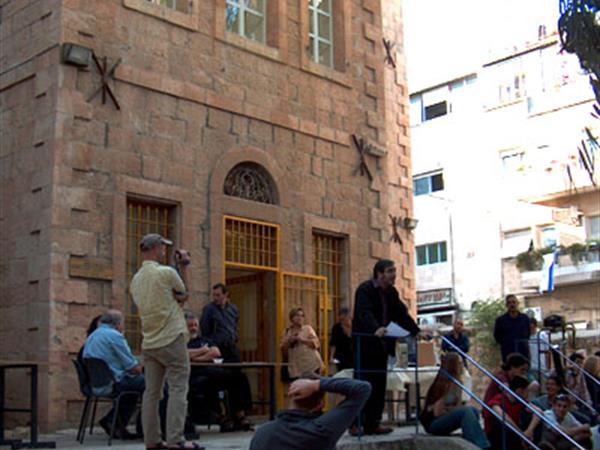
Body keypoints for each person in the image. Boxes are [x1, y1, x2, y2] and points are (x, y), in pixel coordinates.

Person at [130, 234, 202, 450]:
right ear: (156, 247)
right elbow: (184, 295)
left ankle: (151, 440)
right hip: (172, 336)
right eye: (163, 247)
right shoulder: (166, 272)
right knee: (179, 387)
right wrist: (185, 265)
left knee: (151, 393)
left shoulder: (135, 280)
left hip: (150, 341)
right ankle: (175, 439)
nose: (164, 251)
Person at [352, 259, 421, 435]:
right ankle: (355, 423)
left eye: (395, 271)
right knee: (362, 384)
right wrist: (376, 328)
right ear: (380, 273)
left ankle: (373, 423)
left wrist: (416, 331)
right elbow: (364, 313)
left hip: (382, 346)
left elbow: (401, 314)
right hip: (365, 345)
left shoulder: (391, 293)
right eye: (390, 271)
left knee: (379, 385)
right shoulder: (365, 289)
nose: (394, 275)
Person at [249, 374, 371, 450]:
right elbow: (362, 388)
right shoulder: (320, 431)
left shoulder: (262, 433)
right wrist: (316, 385)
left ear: (291, 396)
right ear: (320, 405)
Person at [185, 312, 253, 433]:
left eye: (195, 325)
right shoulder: (183, 342)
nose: (193, 328)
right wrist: (203, 350)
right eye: (190, 325)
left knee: (238, 377)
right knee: (208, 383)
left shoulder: (204, 340)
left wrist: (195, 357)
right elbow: (183, 354)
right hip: (195, 375)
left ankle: (240, 415)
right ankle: (220, 417)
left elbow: (216, 352)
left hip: (214, 371)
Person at [82, 310, 144, 440]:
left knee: (134, 387)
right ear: (118, 323)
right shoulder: (114, 336)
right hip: (114, 382)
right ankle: (145, 428)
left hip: (97, 383)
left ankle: (114, 422)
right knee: (155, 385)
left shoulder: (92, 336)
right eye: (123, 323)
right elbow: (133, 368)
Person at [420, 353, 490, 449]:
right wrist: (450, 409)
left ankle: (473, 442)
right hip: (433, 422)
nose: (462, 365)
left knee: (473, 411)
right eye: (460, 363)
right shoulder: (444, 384)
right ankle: (481, 445)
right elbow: (437, 412)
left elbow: (458, 405)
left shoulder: (458, 383)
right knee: (466, 411)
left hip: (445, 414)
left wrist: (449, 409)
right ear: (453, 365)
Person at [484, 375, 542, 450]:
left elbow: (539, 412)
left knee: (536, 422)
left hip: (515, 435)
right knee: (502, 425)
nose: (528, 395)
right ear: (520, 391)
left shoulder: (520, 401)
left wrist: (529, 430)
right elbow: (501, 415)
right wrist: (520, 433)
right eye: (527, 391)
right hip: (496, 435)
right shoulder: (500, 398)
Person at [200, 283, 241, 363]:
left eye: (218, 295)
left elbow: (235, 325)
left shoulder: (233, 309)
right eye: (214, 295)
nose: (215, 298)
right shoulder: (209, 309)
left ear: (225, 295)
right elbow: (205, 329)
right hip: (217, 347)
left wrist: (235, 336)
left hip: (231, 346)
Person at [280, 307, 324, 380]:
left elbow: (316, 343)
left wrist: (302, 340)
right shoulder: (287, 332)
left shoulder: (307, 328)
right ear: (292, 318)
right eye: (297, 315)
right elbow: (283, 350)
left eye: (302, 315)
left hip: (311, 365)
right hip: (296, 368)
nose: (300, 318)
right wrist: (289, 342)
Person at [493, 294, 530, 362]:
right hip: (508, 353)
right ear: (506, 305)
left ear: (517, 303)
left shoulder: (525, 318)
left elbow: (528, 333)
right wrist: (506, 343)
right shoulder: (500, 320)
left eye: (513, 302)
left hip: (523, 352)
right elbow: (497, 336)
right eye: (509, 302)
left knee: (523, 371)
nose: (512, 304)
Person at [329, 307, 354, 372]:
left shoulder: (355, 327)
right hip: (340, 356)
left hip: (353, 355)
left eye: (346, 318)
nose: (343, 321)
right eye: (341, 319)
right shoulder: (337, 328)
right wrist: (331, 356)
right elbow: (333, 343)